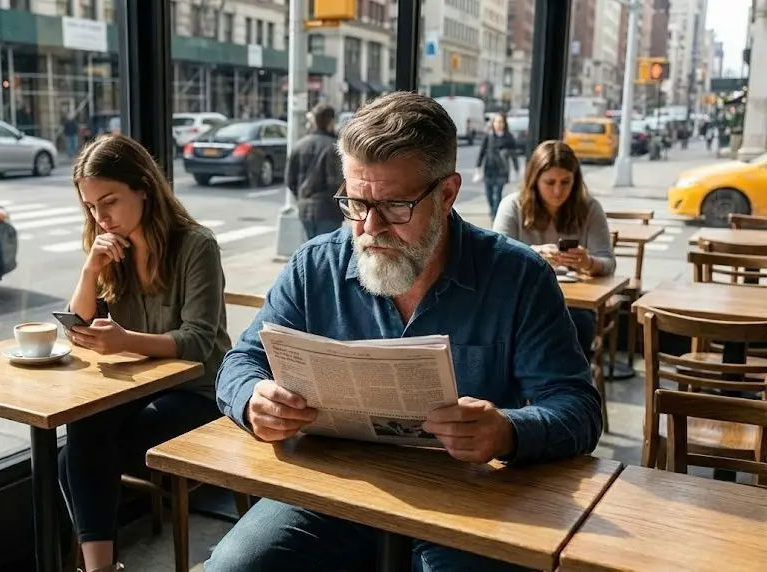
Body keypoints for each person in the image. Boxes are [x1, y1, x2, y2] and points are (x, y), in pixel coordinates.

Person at [206, 92, 602, 572]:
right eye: (355, 202)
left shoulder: (518, 277)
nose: (370, 227)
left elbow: (578, 409)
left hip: (468, 496)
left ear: (447, 194)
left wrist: (508, 431)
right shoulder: (315, 266)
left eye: (395, 206)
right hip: (335, 488)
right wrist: (253, 398)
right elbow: (241, 361)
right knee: (233, 567)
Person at [57, 134, 230, 572]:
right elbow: (78, 325)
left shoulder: (196, 246)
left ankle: (99, 568)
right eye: (91, 207)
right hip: (142, 386)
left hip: (201, 393)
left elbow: (197, 342)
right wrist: (90, 270)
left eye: (109, 202)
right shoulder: (111, 248)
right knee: (83, 432)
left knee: (76, 455)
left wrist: (124, 341)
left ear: (144, 189)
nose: (101, 217)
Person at [492, 140, 615, 354]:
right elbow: (496, 260)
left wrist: (588, 262)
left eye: (566, 182)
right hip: (523, 299)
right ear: (534, 180)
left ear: (575, 181)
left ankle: (569, 376)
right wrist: (532, 255)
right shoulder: (513, 206)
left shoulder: (589, 208)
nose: (558, 191)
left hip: (574, 304)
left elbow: (608, 262)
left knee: (577, 325)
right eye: (550, 182)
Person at [286, 102, 345, 239]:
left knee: (311, 246)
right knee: (327, 248)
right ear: (331, 122)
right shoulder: (334, 147)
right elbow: (338, 183)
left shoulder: (299, 145)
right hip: (328, 210)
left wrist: (301, 197)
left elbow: (290, 180)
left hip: (305, 209)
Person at [475, 112, 520, 219]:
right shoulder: (489, 136)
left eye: (501, 122)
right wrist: (478, 166)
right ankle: (492, 210)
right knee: (489, 193)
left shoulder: (509, 137)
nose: (499, 124)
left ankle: (495, 215)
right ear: (493, 123)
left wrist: (516, 168)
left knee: (498, 193)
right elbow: (482, 152)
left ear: (504, 124)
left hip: (502, 170)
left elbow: (514, 155)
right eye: (497, 122)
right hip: (489, 169)